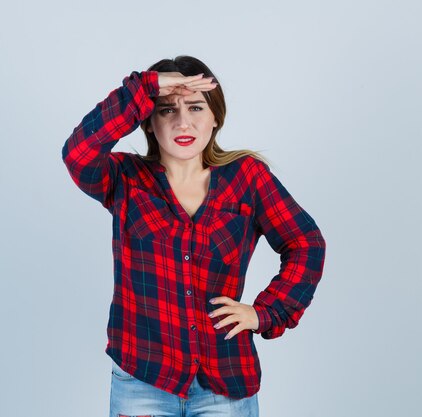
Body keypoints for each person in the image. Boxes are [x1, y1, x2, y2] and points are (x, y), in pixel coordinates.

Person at [62, 56, 326, 417]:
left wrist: (265, 313)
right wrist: (147, 86)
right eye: (167, 110)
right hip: (143, 380)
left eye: (196, 107)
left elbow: (305, 243)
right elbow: (78, 152)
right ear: (150, 123)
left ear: (215, 117)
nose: (183, 122)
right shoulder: (125, 179)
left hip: (224, 382)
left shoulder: (247, 179)